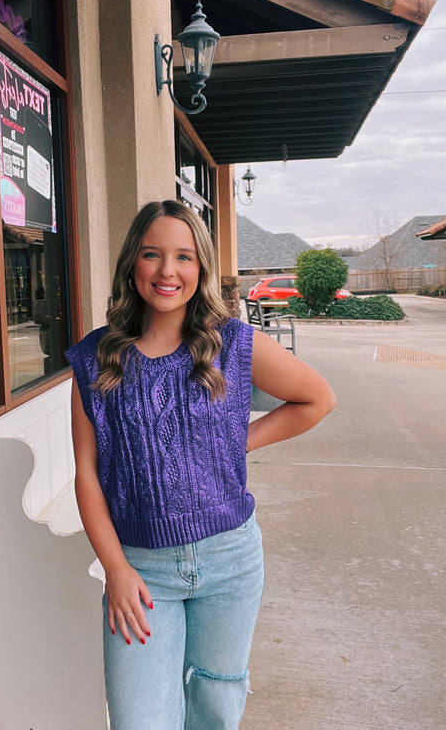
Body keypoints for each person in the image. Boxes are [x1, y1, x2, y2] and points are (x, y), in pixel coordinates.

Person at [65, 200, 336, 730]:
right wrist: (116, 570)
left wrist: (237, 444)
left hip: (230, 561)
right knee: (140, 718)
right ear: (131, 266)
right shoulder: (95, 359)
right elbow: (86, 475)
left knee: (215, 711)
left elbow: (317, 399)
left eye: (184, 257)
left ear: (201, 268)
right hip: (142, 571)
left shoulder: (231, 343)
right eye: (152, 254)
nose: (168, 270)